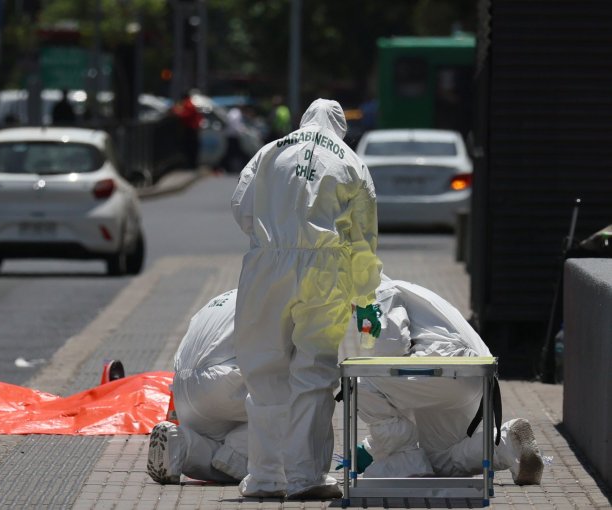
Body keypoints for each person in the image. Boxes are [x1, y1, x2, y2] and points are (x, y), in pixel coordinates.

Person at [145, 279, 545, 488]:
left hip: (186, 384)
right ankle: (500, 444)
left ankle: (184, 446)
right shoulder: (395, 289)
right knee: (292, 424)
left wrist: (377, 445)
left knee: (359, 377)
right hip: (471, 375)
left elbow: (381, 358)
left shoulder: (244, 290)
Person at [230, 98, 381, 500]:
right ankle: (305, 477)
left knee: (263, 368)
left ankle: (265, 476)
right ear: (339, 127)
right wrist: (366, 303)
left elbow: (241, 206)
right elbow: (363, 239)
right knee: (313, 372)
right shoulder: (351, 162)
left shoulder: (269, 152)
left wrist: (271, 237)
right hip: (325, 270)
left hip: (267, 266)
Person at [341, 277, 545, 484]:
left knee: (357, 380)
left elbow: (390, 352)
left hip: (444, 371)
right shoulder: (409, 290)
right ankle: (506, 444)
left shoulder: (376, 293)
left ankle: (403, 464)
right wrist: (372, 448)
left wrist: (382, 448)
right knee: (440, 458)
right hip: (472, 376)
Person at [147, 289, 249, 484]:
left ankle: (181, 444)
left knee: (218, 445)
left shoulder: (224, 297)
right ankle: (240, 453)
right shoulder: (275, 296)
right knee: (302, 398)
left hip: (183, 388)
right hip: (221, 384)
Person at [171, 91, 203, 169]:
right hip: (191, 129)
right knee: (190, 147)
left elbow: (184, 115)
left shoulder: (188, 104)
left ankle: (191, 165)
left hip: (191, 129)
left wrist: (176, 111)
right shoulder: (189, 104)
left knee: (190, 148)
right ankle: (191, 164)